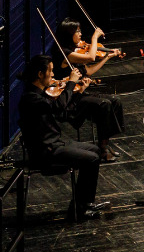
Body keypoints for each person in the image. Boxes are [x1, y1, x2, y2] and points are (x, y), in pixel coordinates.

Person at [19, 55, 108, 220]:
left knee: (96, 150)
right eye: (51, 71)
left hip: (56, 143)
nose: (53, 75)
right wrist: (71, 82)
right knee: (91, 159)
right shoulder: (31, 98)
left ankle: (84, 203)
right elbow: (58, 106)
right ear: (40, 74)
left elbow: (61, 113)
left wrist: (78, 91)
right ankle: (79, 209)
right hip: (46, 152)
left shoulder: (40, 95)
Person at [55, 19, 125, 161]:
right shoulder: (65, 53)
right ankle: (103, 149)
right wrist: (94, 37)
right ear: (68, 34)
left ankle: (104, 143)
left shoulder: (75, 50)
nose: (80, 34)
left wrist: (107, 56)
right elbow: (91, 57)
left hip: (81, 92)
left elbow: (88, 71)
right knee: (104, 104)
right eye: (77, 31)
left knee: (115, 101)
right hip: (70, 98)